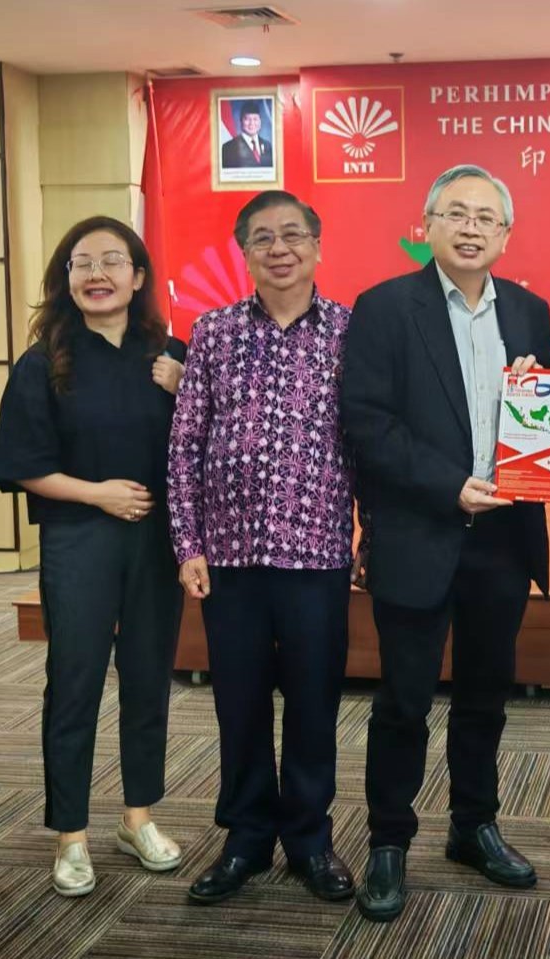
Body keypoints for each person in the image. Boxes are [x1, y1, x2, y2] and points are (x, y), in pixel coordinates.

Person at [341, 164, 550, 922]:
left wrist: (537, 389)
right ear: (425, 224)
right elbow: (366, 422)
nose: (470, 228)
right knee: (402, 700)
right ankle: (389, 842)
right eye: (455, 213)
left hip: (502, 536)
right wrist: (446, 482)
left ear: (505, 233)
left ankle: (474, 824)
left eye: (485, 217)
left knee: (485, 698)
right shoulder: (384, 307)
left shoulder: (531, 311)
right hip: (418, 534)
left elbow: (548, 416)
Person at [167, 191, 357, 906]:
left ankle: (310, 839)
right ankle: (246, 837)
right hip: (231, 557)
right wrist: (188, 540)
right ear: (245, 252)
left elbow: (363, 443)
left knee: (313, 703)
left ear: (317, 246)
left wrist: (365, 535)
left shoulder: (349, 331)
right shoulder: (212, 332)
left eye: (293, 236)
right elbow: (184, 443)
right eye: (263, 238)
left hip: (317, 554)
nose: (279, 249)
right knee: (240, 704)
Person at [0, 216, 187, 898]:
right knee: (73, 682)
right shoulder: (44, 361)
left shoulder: (169, 355)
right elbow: (20, 465)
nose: (97, 273)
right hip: (79, 538)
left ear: (138, 276)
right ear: (65, 279)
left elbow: (206, 447)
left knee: (147, 678)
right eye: (82, 263)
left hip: (156, 543)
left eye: (113, 260)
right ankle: (70, 833)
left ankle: (138, 816)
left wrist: (189, 386)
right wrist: (97, 494)